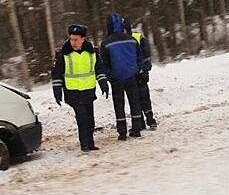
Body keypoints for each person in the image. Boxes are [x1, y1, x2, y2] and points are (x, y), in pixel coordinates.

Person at [51, 24, 109, 152]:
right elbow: (56, 74)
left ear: (83, 39)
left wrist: (103, 84)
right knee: (82, 118)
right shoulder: (63, 54)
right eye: (71, 39)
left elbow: (98, 68)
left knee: (90, 119)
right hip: (73, 93)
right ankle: (84, 144)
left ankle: (90, 143)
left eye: (76, 39)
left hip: (88, 91)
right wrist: (57, 91)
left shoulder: (92, 52)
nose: (73, 42)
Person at [99, 13, 143, 141]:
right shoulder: (132, 40)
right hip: (131, 76)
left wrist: (109, 76)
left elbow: (105, 63)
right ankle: (137, 129)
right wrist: (137, 71)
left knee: (119, 105)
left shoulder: (106, 43)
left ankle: (122, 132)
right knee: (135, 103)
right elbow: (139, 58)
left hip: (116, 79)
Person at [122, 16, 157, 130]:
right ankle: (140, 122)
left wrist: (146, 70)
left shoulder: (138, 37)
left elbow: (145, 55)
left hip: (140, 73)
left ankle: (150, 120)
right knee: (134, 100)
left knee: (145, 98)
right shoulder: (121, 41)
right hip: (130, 75)